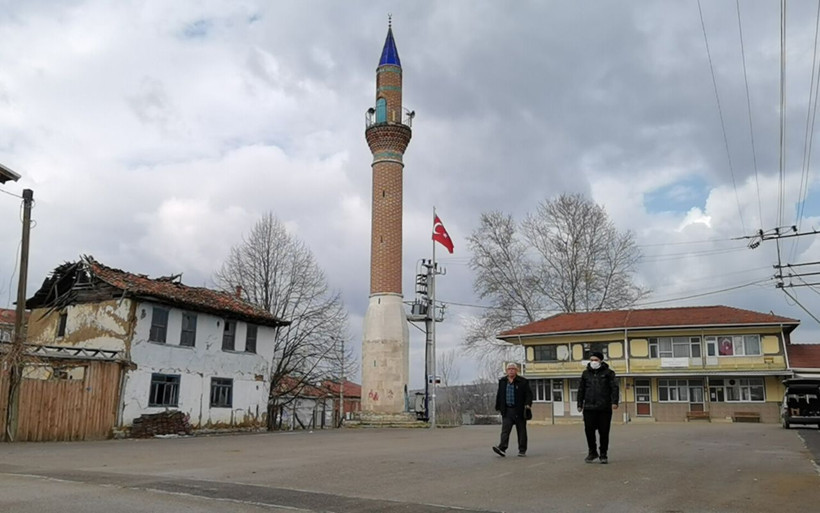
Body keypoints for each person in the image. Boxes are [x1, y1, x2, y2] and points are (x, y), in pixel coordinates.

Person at [577, 351, 619, 464]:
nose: (593, 362)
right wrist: (579, 404)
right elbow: (581, 389)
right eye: (591, 360)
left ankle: (603, 454)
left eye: (595, 360)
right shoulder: (585, 374)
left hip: (604, 408)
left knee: (604, 432)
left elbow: (614, 388)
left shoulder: (609, 373)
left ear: (601, 360)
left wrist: (615, 402)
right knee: (589, 431)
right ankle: (592, 452)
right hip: (589, 407)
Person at [493, 362, 533, 457]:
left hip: (519, 410)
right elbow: (500, 395)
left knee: (521, 431)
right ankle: (502, 448)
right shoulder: (502, 381)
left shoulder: (523, 381)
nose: (511, 370)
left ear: (516, 370)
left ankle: (522, 450)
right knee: (505, 430)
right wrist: (498, 406)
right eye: (509, 369)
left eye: (513, 369)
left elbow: (529, 394)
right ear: (506, 371)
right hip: (507, 410)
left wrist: (528, 404)